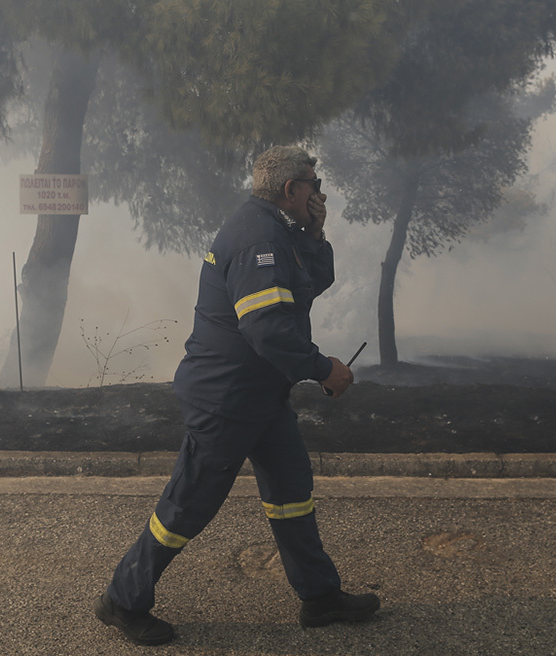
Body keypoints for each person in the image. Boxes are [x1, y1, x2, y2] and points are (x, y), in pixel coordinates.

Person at [93, 145, 379, 645]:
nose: (320, 191)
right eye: (313, 183)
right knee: (188, 506)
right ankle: (122, 599)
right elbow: (266, 328)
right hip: (226, 399)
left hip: (260, 396)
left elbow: (312, 283)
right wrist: (322, 369)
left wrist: (315, 232)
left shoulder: (278, 230)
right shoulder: (257, 239)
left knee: (292, 492)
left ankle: (320, 597)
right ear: (290, 189)